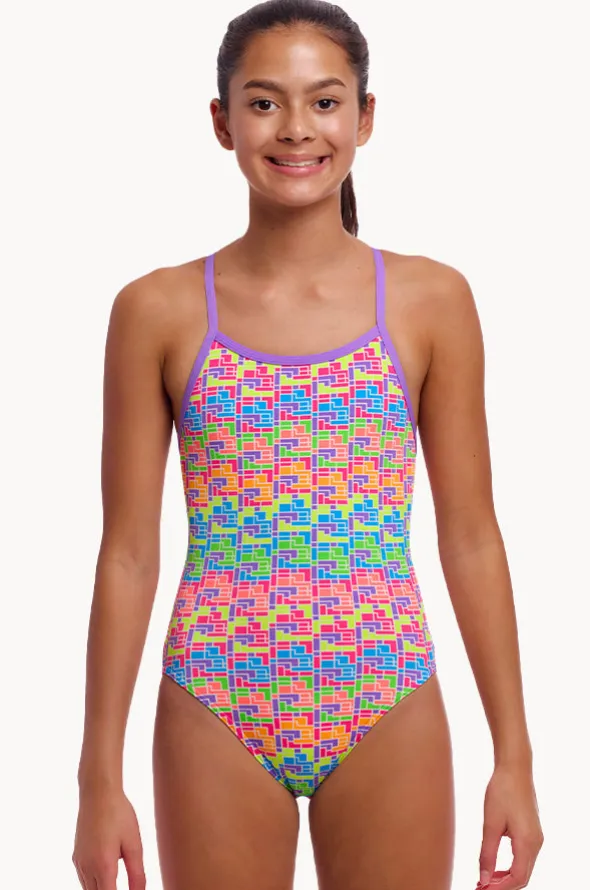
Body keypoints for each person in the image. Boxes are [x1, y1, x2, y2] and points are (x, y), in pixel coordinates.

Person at [72, 1, 544, 888]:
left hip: (385, 686)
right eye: (264, 102)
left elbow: (473, 536)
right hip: (215, 688)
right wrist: (97, 777)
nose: (296, 128)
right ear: (222, 122)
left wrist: (513, 757)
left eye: (325, 101)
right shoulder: (157, 311)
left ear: (365, 117)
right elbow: (128, 553)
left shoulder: (431, 301)